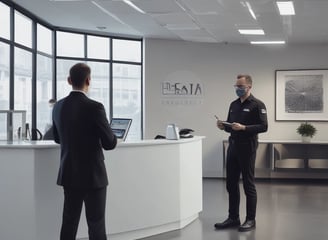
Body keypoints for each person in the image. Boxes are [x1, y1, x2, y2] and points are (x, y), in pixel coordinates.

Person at [52, 63, 117, 240]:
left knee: (69, 222)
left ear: (69, 80)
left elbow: (58, 138)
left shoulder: (58, 107)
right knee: (96, 224)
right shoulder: (95, 107)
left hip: (69, 174)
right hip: (93, 176)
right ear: (88, 80)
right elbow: (109, 143)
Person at [214, 74, 268, 232]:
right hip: (233, 146)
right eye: (236, 86)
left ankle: (251, 219)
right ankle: (233, 218)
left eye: (240, 86)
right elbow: (232, 126)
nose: (238, 89)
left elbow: (264, 127)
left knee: (248, 184)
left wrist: (244, 128)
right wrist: (224, 126)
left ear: (249, 87)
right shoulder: (233, 104)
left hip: (248, 147)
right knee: (231, 184)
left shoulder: (258, 105)